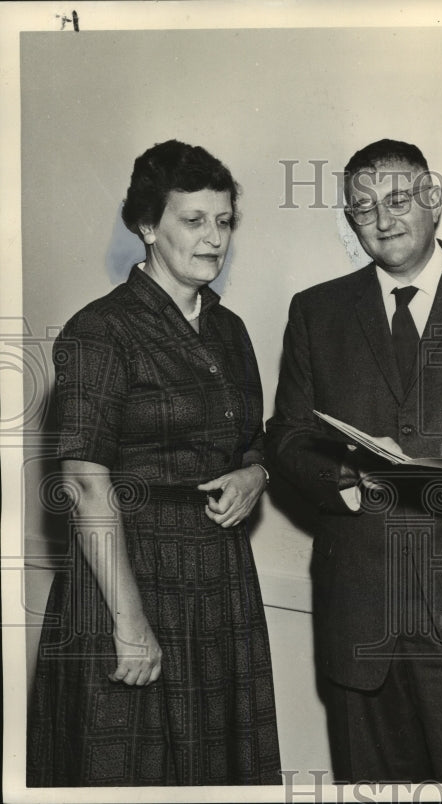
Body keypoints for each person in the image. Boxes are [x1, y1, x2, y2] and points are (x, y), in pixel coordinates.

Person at [264, 139, 442, 782]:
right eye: (362, 208)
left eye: (398, 200)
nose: (382, 219)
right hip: (363, 622)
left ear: (434, 199)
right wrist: (346, 473)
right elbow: (285, 435)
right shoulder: (316, 310)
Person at [27, 140, 280, 785]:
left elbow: (248, 439)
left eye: (223, 222)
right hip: (127, 577)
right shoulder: (101, 330)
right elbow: (85, 483)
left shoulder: (230, 330)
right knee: (132, 768)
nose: (214, 239)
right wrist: (131, 625)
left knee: (215, 771)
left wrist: (257, 472)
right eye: (193, 221)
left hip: (218, 579)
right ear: (147, 227)